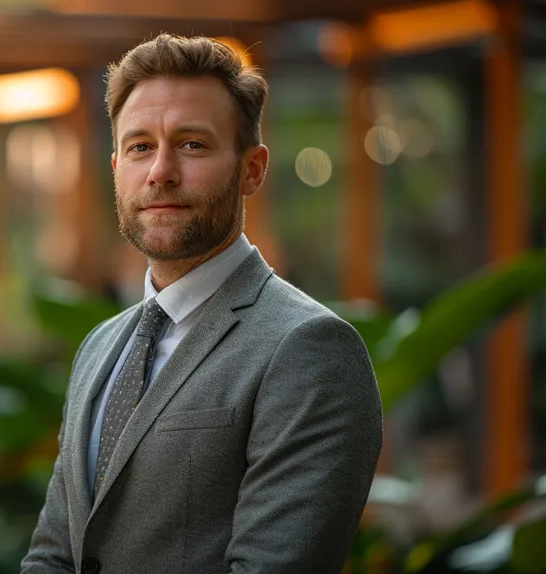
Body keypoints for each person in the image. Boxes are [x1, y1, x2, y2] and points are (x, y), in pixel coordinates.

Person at [20, 33, 383, 574]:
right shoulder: (100, 347)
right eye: (141, 146)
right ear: (116, 167)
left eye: (192, 144)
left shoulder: (309, 349)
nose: (161, 171)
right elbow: (54, 551)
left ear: (252, 169)